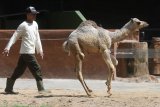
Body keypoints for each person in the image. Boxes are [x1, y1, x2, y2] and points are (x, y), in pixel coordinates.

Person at [2, 6, 50, 94]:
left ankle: (8, 88)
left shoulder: (35, 24)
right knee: (37, 68)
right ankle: (41, 89)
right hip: (27, 52)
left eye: (35, 14)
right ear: (28, 15)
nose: (35, 16)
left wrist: (40, 50)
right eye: (33, 14)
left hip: (28, 52)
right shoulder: (23, 25)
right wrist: (7, 47)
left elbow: (37, 37)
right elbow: (15, 36)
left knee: (19, 70)